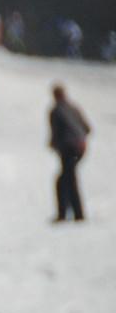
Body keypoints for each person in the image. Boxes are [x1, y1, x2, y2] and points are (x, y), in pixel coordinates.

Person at [49, 84, 91, 223]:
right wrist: (80, 140)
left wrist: (54, 144)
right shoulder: (74, 108)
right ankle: (76, 213)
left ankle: (68, 214)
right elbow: (87, 128)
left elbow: (56, 131)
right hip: (79, 149)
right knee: (68, 179)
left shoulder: (56, 111)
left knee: (65, 180)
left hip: (68, 149)